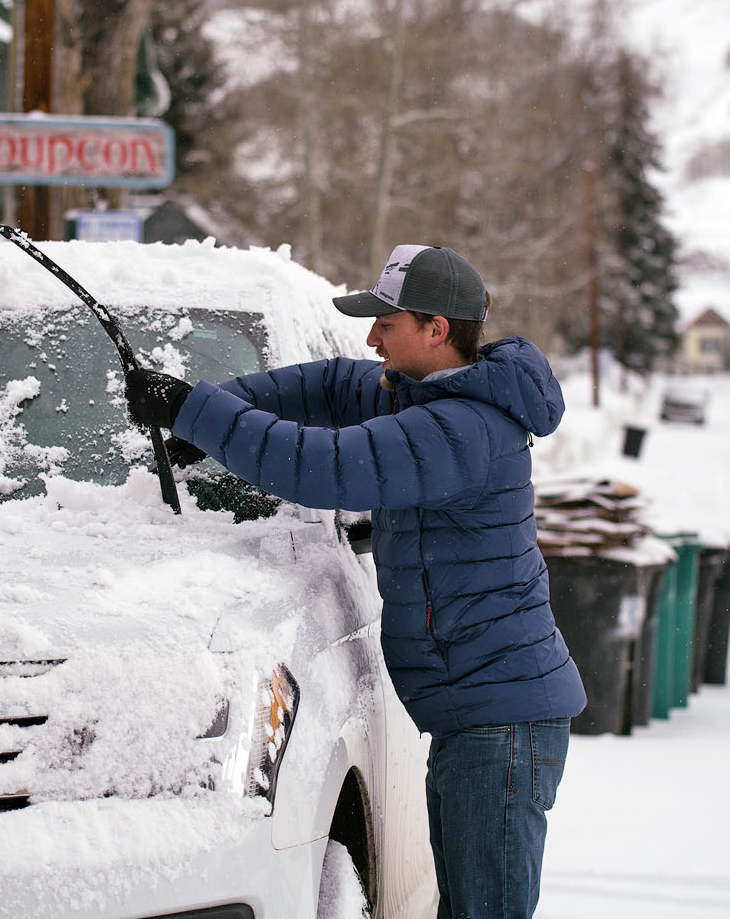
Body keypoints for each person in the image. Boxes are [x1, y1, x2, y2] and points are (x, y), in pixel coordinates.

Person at [126, 243, 587, 918]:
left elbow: (324, 466)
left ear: (436, 330)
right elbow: (330, 386)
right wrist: (218, 407)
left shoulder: (461, 427)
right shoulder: (424, 393)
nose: (372, 338)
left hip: (501, 728)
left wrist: (195, 411)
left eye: (388, 324)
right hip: (483, 718)